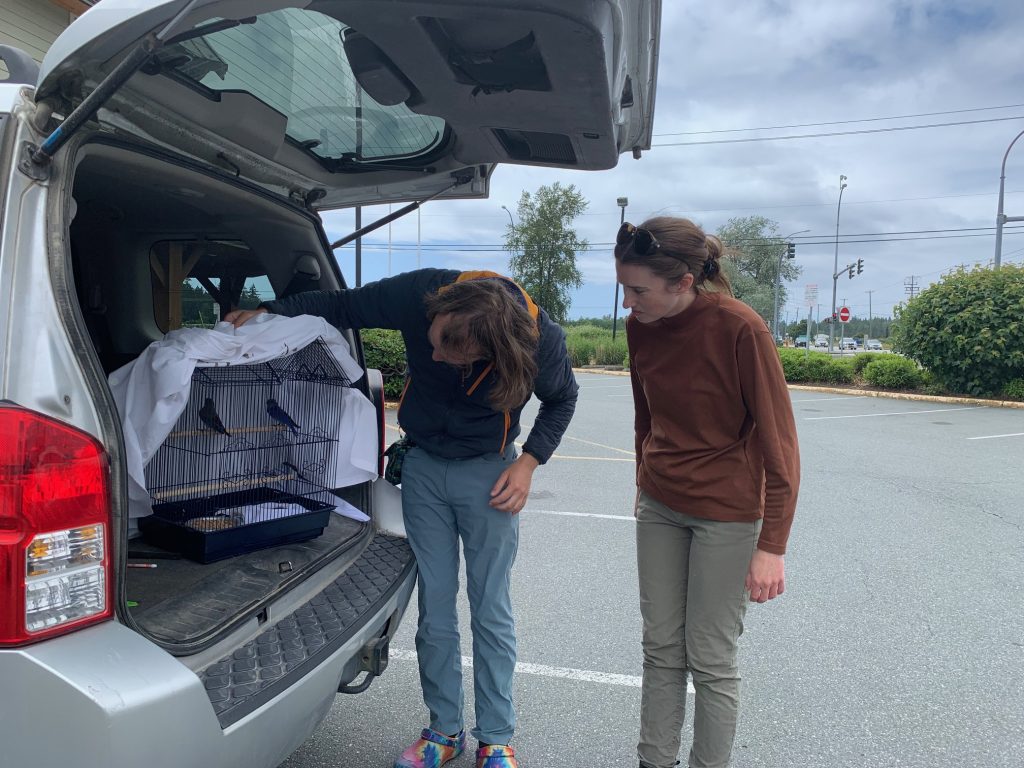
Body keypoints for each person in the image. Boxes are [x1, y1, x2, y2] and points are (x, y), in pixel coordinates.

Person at [226, 268, 578, 768]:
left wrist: (528, 463)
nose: (433, 358)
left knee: (490, 607)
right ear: (440, 310)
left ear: (492, 350)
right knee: (435, 606)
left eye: (452, 355)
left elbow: (562, 398)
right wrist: (270, 312)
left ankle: (496, 737)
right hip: (424, 468)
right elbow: (342, 305)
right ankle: (444, 731)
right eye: (434, 341)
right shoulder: (419, 293)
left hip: (491, 475)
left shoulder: (539, 338)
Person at [613, 218, 800, 768]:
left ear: (684, 283)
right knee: (660, 647)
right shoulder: (641, 327)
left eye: (638, 290)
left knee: (711, 658)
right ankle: (654, 760)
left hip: (727, 514)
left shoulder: (741, 328)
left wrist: (772, 544)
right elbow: (645, 415)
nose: (628, 303)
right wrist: (642, 481)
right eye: (624, 288)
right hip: (660, 505)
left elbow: (781, 446)